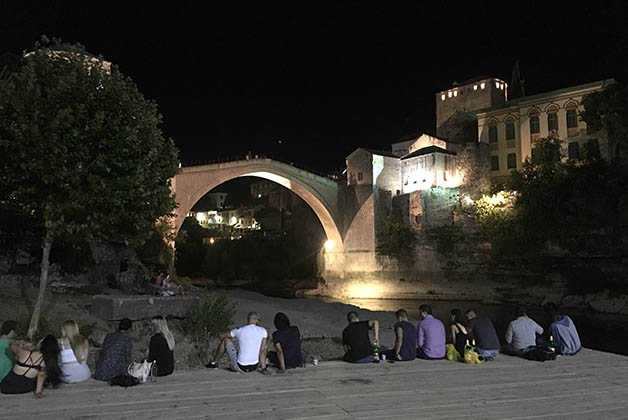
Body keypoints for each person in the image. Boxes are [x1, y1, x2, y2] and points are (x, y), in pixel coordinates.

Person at [206, 312, 271, 374]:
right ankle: (263, 366)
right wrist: (264, 368)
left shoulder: (240, 330)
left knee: (226, 340)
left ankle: (214, 363)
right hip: (254, 367)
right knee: (263, 346)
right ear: (255, 320)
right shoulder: (263, 331)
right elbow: (262, 350)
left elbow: (222, 335)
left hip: (241, 367)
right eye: (259, 320)